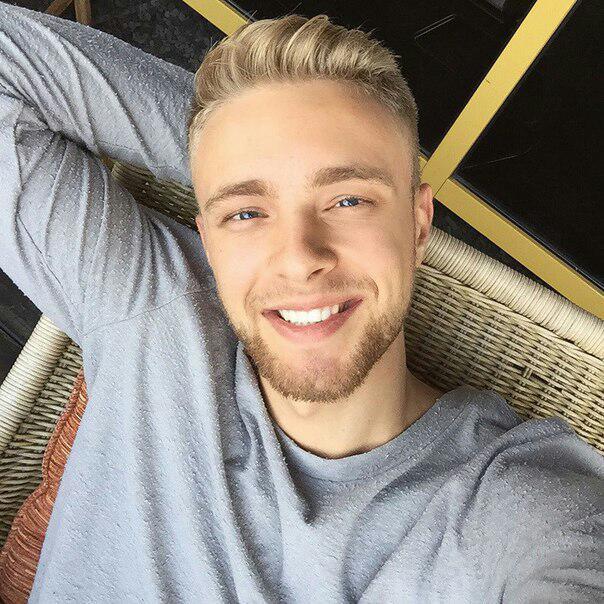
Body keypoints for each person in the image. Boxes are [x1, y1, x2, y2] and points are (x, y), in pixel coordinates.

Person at [0, 3, 601, 602]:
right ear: (209, 240)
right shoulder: (152, 315)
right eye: (245, 214)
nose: (298, 258)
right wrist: (225, 150)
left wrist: (251, 169)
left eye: (348, 201)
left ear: (419, 225)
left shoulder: (522, 510)